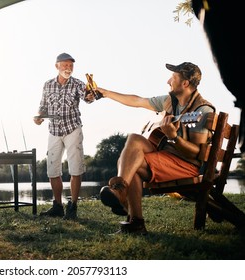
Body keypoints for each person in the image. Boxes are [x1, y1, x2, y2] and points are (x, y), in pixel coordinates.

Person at [96, 62, 215, 234]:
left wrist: (174, 137)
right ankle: (122, 192)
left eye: (173, 78)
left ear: (185, 83)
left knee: (131, 163)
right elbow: (137, 101)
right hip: (165, 155)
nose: (168, 81)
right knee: (134, 139)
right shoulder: (170, 101)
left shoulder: (201, 110)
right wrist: (105, 93)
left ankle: (133, 217)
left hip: (186, 164)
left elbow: (198, 154)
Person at [34, 52, 96, 220]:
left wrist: (91, 95)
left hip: (73, 129)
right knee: (52, 170)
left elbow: (88, 97)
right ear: (57, 66)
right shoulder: (47, 85)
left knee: (76, 168)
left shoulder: (77, 84)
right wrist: (39, 116)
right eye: (65, 65)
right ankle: (58, 206)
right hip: (54, 131)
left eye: (71, 66)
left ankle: (73, 206)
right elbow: (42, 106)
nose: (68, 68)